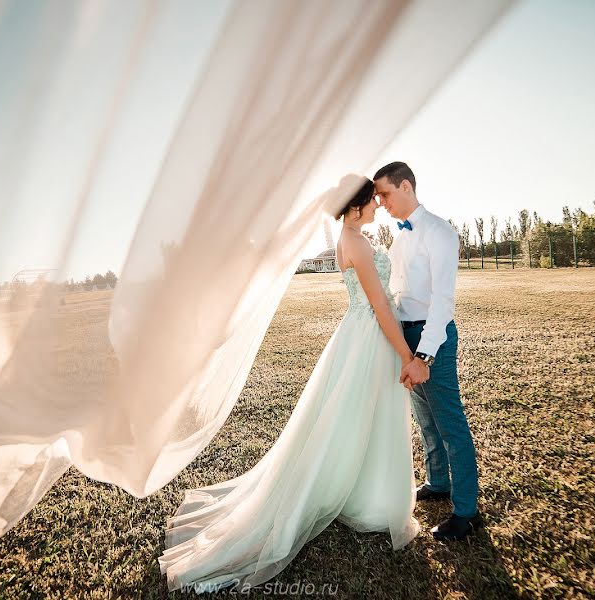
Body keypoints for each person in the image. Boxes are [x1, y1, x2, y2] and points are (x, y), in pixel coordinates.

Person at [158, 175, 420, 593]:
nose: (377, 207)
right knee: (355, 414)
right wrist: (408, 356)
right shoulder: (356, 242)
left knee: (355, 416)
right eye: (373, 201)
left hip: (357, 334)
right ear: (355, 207)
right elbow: (379, 305)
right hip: (368, 337)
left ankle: (363, 492)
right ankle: (365, 498)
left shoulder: (347, 238)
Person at [374, 161, 481, 541]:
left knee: (451, 425)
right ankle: (438, 482)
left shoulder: (439, 232)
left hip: (430, 341)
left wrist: (424, 356)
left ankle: (467, 511)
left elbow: (442, 302)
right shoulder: (399, 239)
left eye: (384, 193)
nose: (380, 202)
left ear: (406, 187)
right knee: (426, 421)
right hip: (405, 341)